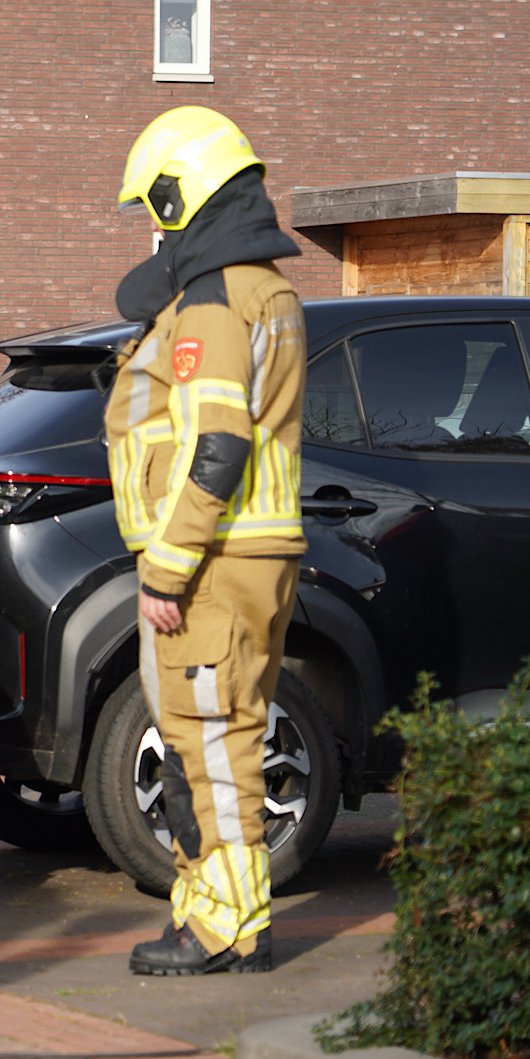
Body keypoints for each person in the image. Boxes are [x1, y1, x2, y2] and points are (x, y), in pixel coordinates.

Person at [108, 106, 306, 976]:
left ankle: (227, 927)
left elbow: (215, 444)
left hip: (213, 562)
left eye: (157, 207)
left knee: (213, 739)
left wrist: (169, 561)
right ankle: (209, 910)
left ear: (184, 195)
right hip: (248, 553)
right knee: (215, 735)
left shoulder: (217, 301)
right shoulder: (262, 288)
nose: (154, 228)